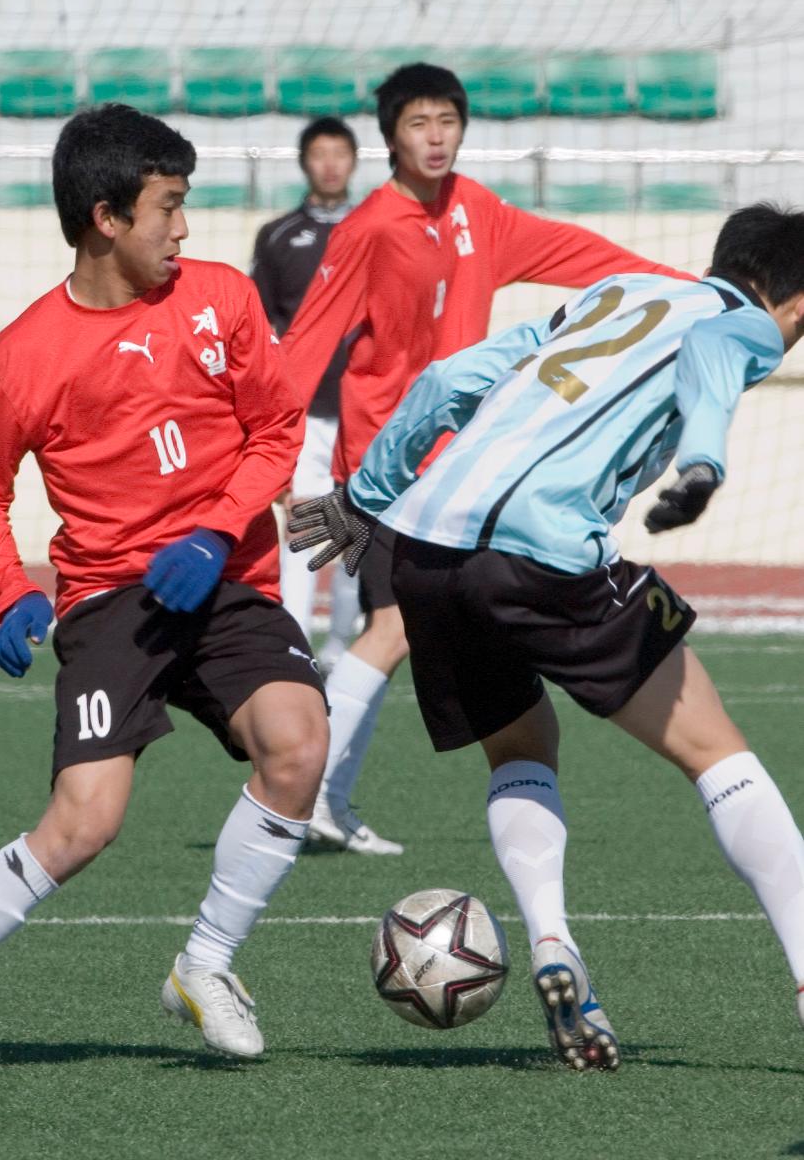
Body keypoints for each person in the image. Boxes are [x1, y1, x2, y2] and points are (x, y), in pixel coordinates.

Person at [290, 202, 804, 1068]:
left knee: (523, 743)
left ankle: (554, 944)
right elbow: (716, 360)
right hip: (539, 554)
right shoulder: (745, 323)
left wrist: (366, 493)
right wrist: (702, 466)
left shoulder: (612, 293)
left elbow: (448, 378)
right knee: (717, 751)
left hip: (424, 546)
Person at [0, 103, 329, 1060]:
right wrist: (12, 590)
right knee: (84, 824)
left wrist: (211, 531)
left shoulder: (224, 299)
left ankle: (204, 965)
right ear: (106, 217)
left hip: (226, 574)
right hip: (110, 596)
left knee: (296, 746)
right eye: (168, 207)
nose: (185, 228)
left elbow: (276, 432)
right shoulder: (19, 359)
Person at [281, 60, 693, 856]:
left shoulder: (477, 211)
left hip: (462, 470)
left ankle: (315, 796)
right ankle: (304, 791)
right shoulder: (365, 228)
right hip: (382, 468)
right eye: (417, 125)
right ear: (391, 138)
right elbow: (302, 349)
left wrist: (689, 293)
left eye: (447, 122)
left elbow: (577, 251)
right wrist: (267, 464)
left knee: (412, 628)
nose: (435, 138)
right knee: (393, 626)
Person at [250, 116, 361, 675]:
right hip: (303, 414)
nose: (330, 164)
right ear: (305, 162)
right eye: (320, 153)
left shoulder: (376, 230)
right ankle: (294, 644)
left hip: (366, 411)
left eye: (340, 153)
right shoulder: (276, 236)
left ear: (354, 160)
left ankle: (342, 646)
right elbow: (259, 329)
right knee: (300, 525)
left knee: (354, 528)